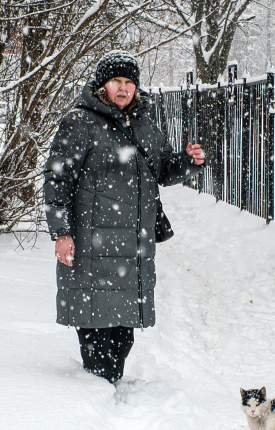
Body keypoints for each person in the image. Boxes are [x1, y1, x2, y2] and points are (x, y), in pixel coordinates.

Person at [43, 50, 205, 383]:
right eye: (116, 81)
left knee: (122, 333)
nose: (123, 88)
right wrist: (61, 232)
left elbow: (162, 169)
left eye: (129, 82)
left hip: (130, 248)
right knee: (95, 328)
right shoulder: (81, 121)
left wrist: (188, 162)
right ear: (102, 85)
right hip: (92, 244)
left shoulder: (142, 123)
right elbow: (57, 179)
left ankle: (107, 390)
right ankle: (97, 396)